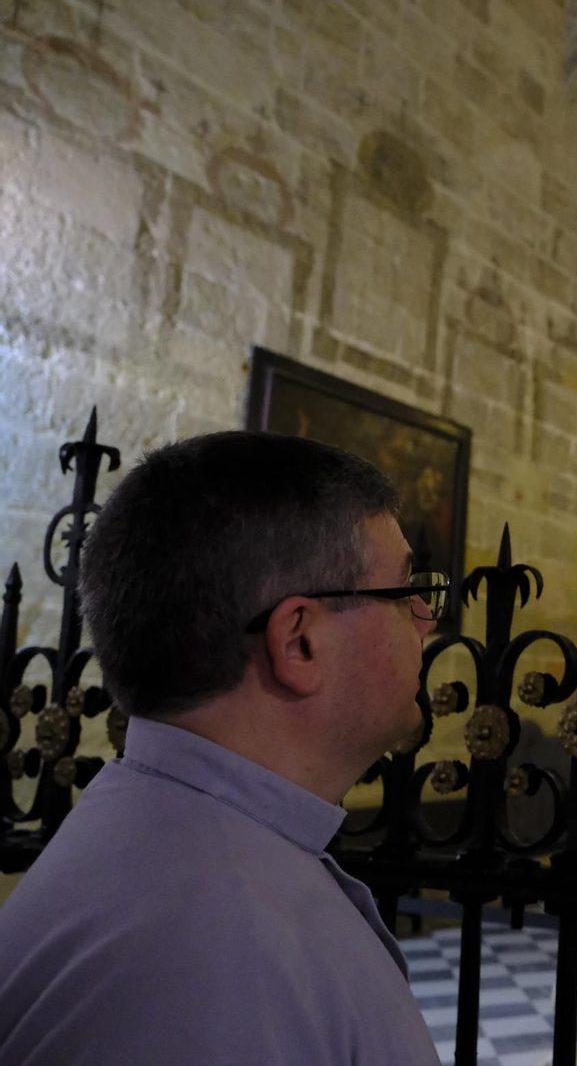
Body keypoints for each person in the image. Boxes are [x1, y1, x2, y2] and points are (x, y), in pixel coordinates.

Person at [0, 432, 446, 1064]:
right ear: (299, 643)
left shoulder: (162, 841)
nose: (427, 618)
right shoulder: (213, 958)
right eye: (405, 594)